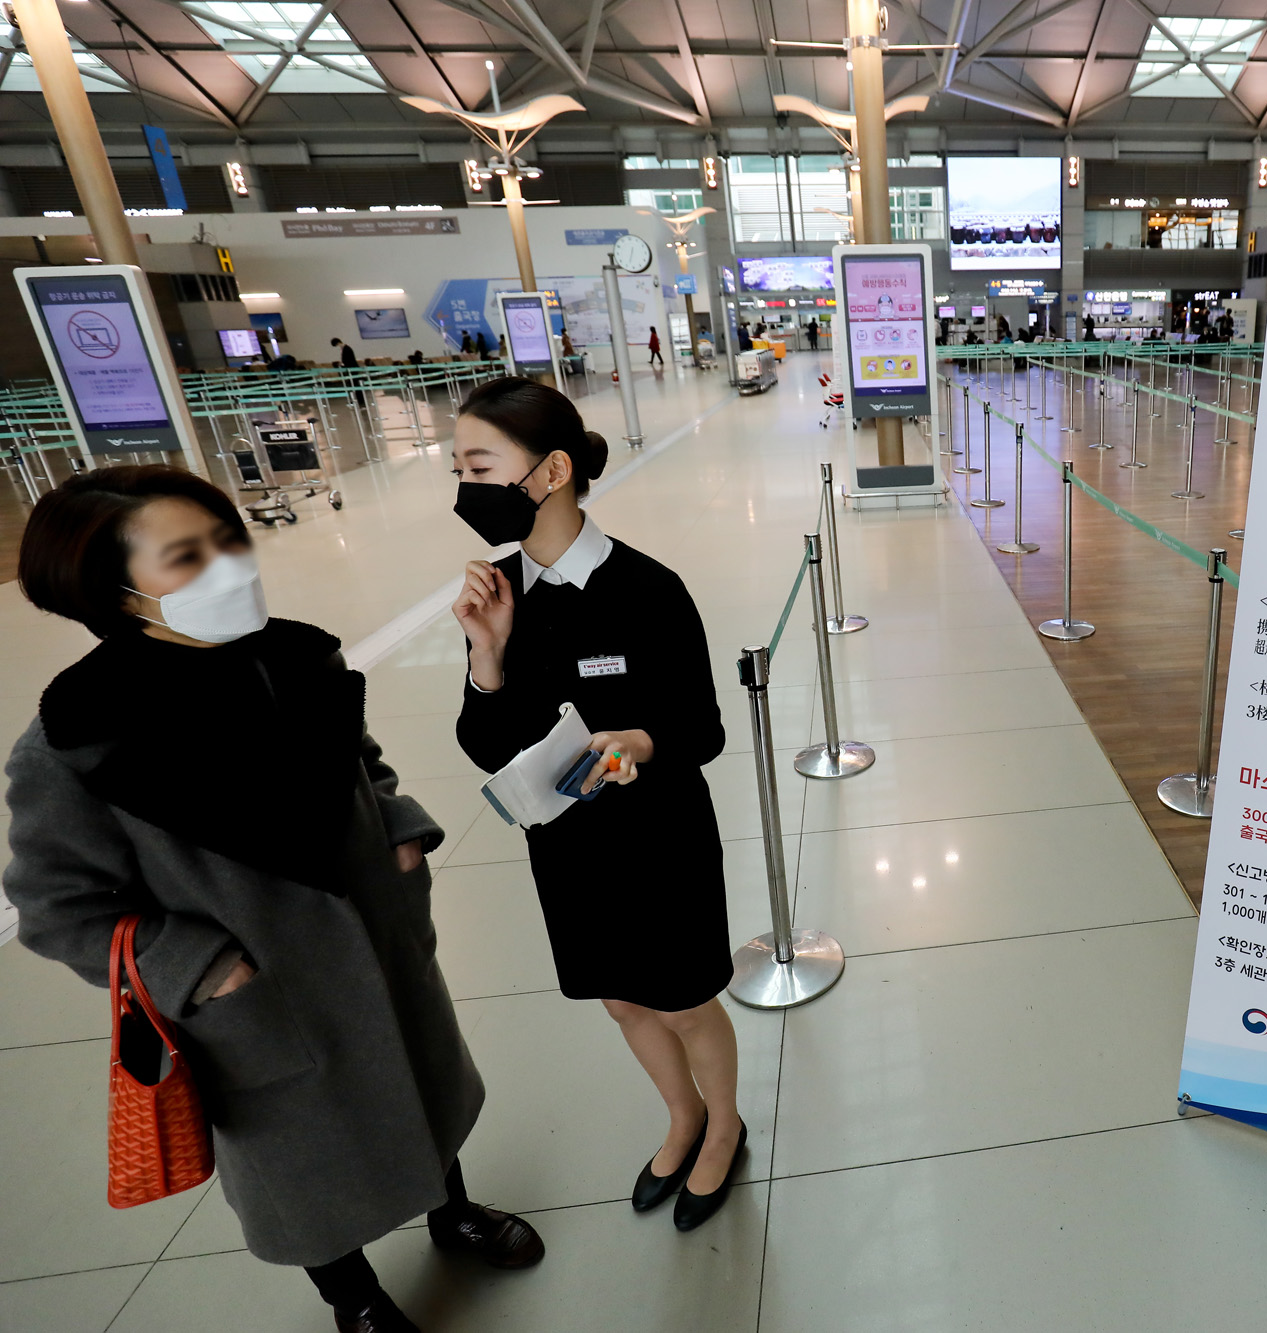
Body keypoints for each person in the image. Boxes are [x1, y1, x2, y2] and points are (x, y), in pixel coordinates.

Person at [3, 466, 542, 1333]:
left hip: (375, 941)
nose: (227, 566)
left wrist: (399, 834)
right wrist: (200, 967)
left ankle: (453, 1210)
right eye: (186, 556)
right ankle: (353, 1296)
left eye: (228, 539)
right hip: (257, 998)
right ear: (115, 591)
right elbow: (57, 906)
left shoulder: (295, 656)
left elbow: (362, 761)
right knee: (302, 1162)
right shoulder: (77, 742)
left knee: (420, 1083)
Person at [446, 379, 746, 1233]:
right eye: (458, 468)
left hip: (659, 840)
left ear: (553, 471)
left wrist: (634, 745)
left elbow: (703, 729)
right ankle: (682, 1115)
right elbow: (485, 744)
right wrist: (486, 656)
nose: (466, 487)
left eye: (481, 466)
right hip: (569, 846)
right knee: (622, 999)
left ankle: (724, 1125)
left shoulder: (648, 589)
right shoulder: (499, 591)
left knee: (683, 1000)